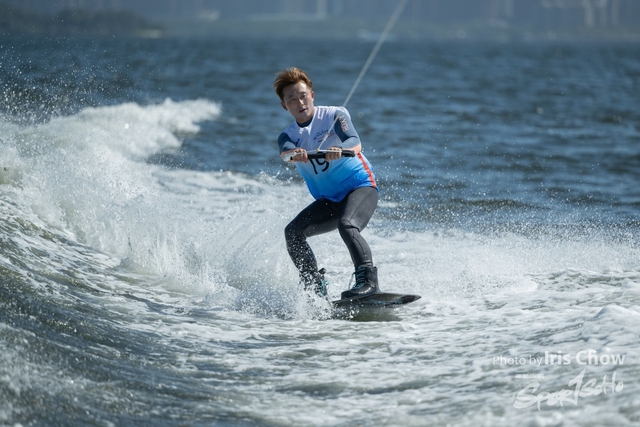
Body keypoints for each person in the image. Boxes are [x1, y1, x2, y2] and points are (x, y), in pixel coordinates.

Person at [273, 67, 380, 300]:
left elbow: (355, 141)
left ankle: (369, 283)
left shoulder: (334, 115)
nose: (300, 102)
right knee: (293, 233)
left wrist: (340, 149)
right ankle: (314, 285)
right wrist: (294, 154)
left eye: (303, 95)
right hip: (330, 200)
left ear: (312, 95)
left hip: (360, 187)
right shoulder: (288, 136)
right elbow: (285, 152)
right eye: (292, 99)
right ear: (284, 106)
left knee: (347, 225)